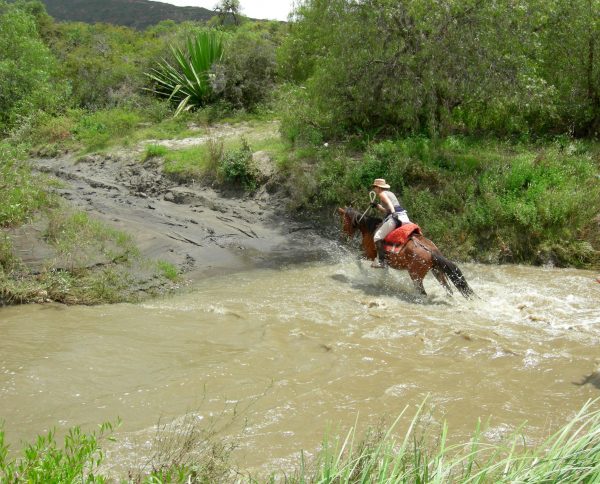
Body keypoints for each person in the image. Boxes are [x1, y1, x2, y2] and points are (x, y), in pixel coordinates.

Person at [369, 178, 411, 268]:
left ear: (379, 187)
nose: (374, 189)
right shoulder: (390, 193)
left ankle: (381, 261)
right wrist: (376, 205)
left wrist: (393, 212)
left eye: (374, 187)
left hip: (395, 216)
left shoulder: (381, 193)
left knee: (377, 237)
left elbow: (390, 205)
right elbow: (385, 210)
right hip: (403, 216)